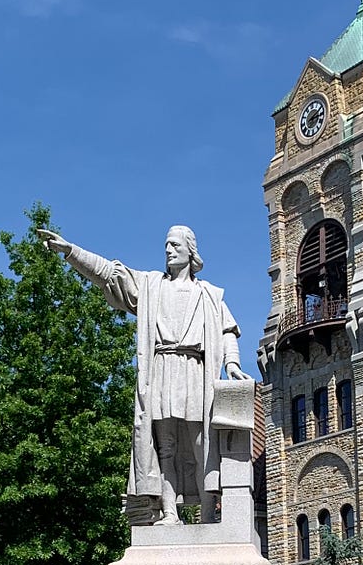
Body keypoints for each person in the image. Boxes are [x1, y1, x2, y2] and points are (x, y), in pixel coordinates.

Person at [38, 224, 244, 524]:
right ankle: (170, 513)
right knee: (165, 449)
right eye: (166, 246)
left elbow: (227, 330)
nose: (169, 250)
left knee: (203, 445)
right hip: (161, 371)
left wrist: (232, 364)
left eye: (174, 245)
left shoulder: (209, 294)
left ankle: (208, 518)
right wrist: (71, 252)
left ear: (190, 250)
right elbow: (109, 274)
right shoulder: (151, 286)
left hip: (194, 371)